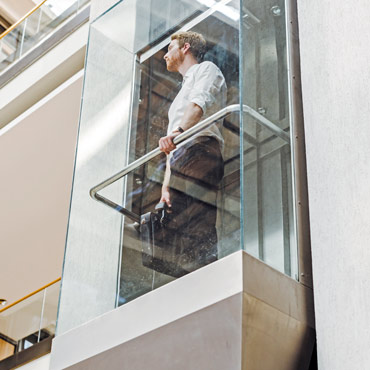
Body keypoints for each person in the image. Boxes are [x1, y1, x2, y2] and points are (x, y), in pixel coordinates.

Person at [158, 31, 227, 275]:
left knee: (199, 220)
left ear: (185, 48)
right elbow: (170, 148)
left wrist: (178, 131)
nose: (166, 54)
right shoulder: (181, 91)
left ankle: (206, 276)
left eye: (170, 48)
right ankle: (190, 279)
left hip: (200, 149)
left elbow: (199, 104)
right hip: (181, 157)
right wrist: (165, 186)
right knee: (181, 226)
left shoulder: (206, 69)